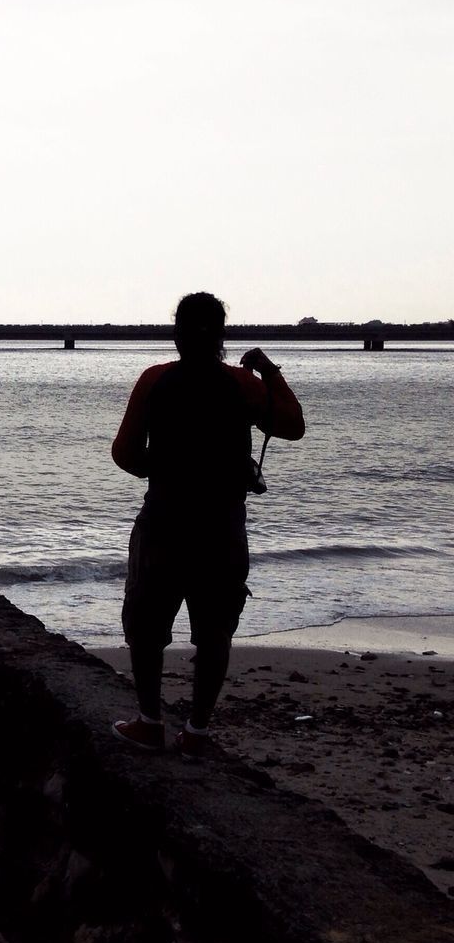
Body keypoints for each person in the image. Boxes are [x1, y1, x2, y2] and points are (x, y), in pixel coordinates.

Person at [110, 292, 304, 757]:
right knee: (215, 629)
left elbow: (124, 452)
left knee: (146, 624)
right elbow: (293, 425)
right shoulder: (243, 385)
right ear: (222, 336)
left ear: (175, 333)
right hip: (222, 525)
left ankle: (150, 722)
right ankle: (196, 733)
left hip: (164, 520)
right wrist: (268, 369)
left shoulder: (155, 381)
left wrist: (155, 468)